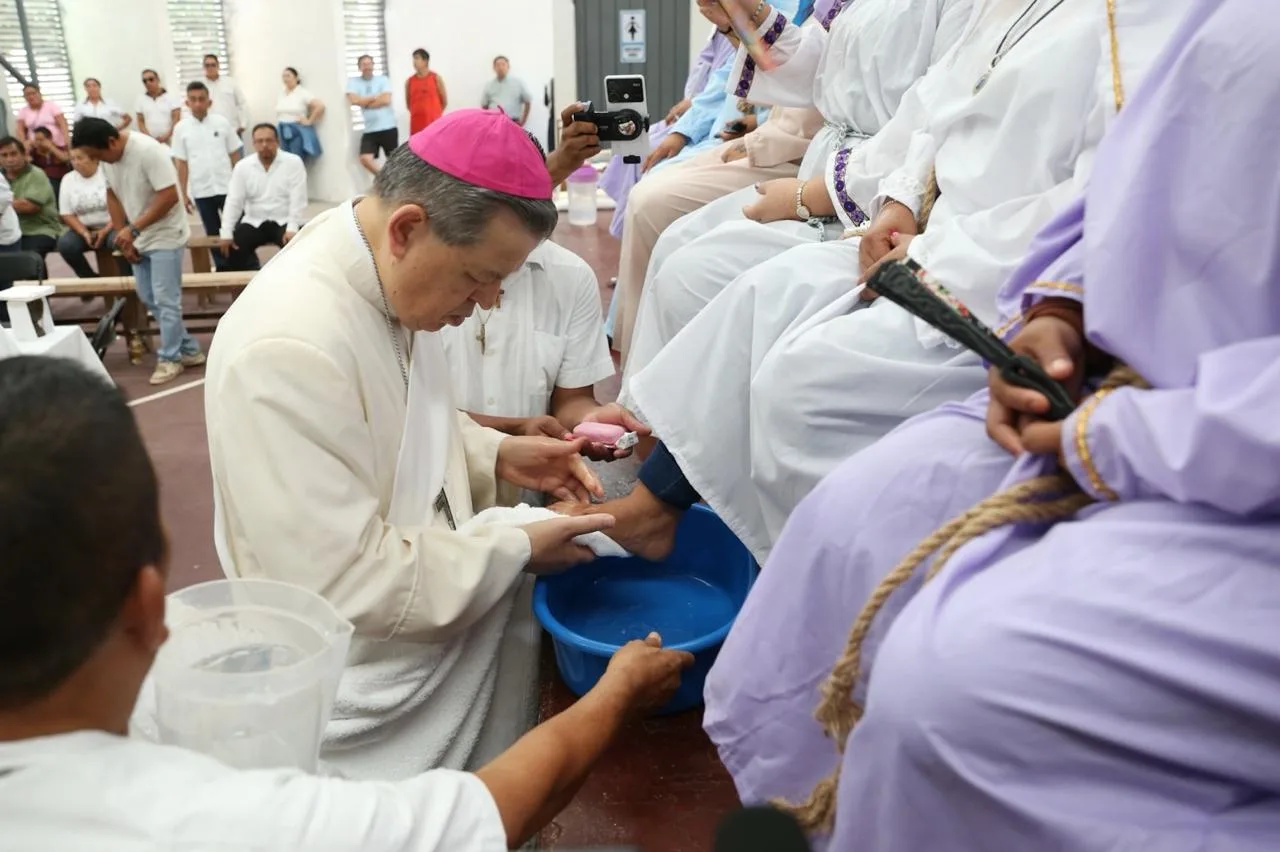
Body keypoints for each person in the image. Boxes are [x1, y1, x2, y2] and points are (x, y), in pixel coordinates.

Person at [705, 3, 1280, 850]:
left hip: (1216, 449)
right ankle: (821, 804)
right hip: (1106, 367)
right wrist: (1061, 305)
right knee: (850, 517)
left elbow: (1072, 175)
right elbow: (1129, 182)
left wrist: (1118, 428)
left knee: (946, 683)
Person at [0, 354, 694, 852]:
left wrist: (493, 456)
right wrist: (617, 694)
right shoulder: (225, 824)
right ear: (149, 607)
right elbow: (489, 813)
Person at [584, 0, 1181, 566]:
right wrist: (900, 201)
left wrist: (848, 207)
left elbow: (1104, 199)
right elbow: (931, 110)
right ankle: (659, 485)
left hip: (992, 266)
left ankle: (779, 566)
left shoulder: (1139, 25)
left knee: (795, 385)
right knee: (743, 288)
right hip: (908, 216)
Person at [205, 110, 627, 781]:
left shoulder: (379, 271)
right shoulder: (286, 347)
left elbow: (395, 417)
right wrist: (517, 547)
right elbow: (341, 583)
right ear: (407, 228)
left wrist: (496, 453)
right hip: (355, 666)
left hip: (419, 592)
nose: (489, 302)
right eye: (479, 276)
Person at [611, 0, 971, 359]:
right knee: (675, 241)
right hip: (829, 164)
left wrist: (809, 194)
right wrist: (746, 16)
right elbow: (823, 70)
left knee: (688, 272)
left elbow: (928, 121)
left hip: (868, 189)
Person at [440, 236, 644, 470]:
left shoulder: (571, 276)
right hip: (436, 475)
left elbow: (571, 399)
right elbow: (414, 413)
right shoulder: (428, 272)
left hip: (533, 482)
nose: (488, 298)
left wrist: (587, 419)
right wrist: (514, 430)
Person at [71, 118, 202, 386]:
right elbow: (112, 195)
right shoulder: (106, 158)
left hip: (167, 233)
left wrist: (133, 229)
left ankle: (171, 358)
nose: (97, 162)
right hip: (138, 234)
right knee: (148, 296)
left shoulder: (149, 151)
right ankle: (189, 349)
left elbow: (169, 196)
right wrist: (124, 234)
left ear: (111, 142)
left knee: (166, 300)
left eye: (97, 156)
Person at [218, 124, 308, 272]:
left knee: (298, 249)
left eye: (269, 140)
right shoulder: (243, 166)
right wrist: (226, 232)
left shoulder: (293, 162)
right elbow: (234, 201)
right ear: (253, 143)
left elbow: (298, 198)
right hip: (254, 220)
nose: (264, 145)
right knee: (235, 247)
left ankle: (291, 284)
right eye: (259, 141)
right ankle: (245, 285)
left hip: (284, 220)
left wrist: (292, 227)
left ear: (277, 141)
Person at [172, 81, 240, 272]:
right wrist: (183, 193)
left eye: (201, 99)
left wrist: (241, 185)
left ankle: (240, 264)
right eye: (193, 100)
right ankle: (222, 267)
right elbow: (181, 163)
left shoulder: (222, 122)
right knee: (212, 231)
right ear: (187, 103)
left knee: (236, 226)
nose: (198, 103)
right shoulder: (181, 128)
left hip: (227, 185)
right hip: (201, 189)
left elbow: (235, 155)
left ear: (209, 101)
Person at [0, 136, 62, 264]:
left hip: (38, 229)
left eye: (13, 154)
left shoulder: (36, 174)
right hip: (8, 231)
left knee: (28, 259)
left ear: (24, 155)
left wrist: (4, 202)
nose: (9, 159)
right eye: (4, 155)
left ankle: (38, 277)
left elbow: (30, 207)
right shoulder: (1, 176)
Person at [56, 147, 114, 279]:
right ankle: (89, 278)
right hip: (83, 228)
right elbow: (66, 214)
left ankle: (125, 280)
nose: (76, 162)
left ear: (94, 159)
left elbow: (122, 208)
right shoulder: (68, 179)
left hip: (112, 226)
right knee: (66, 245)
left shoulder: (108, 173)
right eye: (72, 159)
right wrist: (84, 232)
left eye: (80, 158)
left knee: (119, 241)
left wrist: (105, 230)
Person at [348, 54, 398, 175]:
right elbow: (354, 100)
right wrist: (375, 97)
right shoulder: (353, 82)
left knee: (394, 162)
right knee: (365, 158)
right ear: (359, 67)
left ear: (373, 65)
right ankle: (383, 178)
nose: (367, 67)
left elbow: (386, 99)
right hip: (370, 129)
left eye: (369, 64)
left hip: (388, 127)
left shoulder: (383, 80)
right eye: (364, 64)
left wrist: (364, 102)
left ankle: (395, 183)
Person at [201, 53, 249, 150]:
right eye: (207, 65)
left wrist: (243, 124)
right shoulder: (200, 86)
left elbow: (242, 103)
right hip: (210, 133)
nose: (210, 68)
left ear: (218, 66)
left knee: (237, 159)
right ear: (204, 67)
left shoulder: (230, 82)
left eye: (213, 65)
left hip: (232, 130)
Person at [276, 66, 325, 159]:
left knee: (296, 157)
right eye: (283, 76)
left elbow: (320, 106)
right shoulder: (282, 93)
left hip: (296, 129)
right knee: (284, 158)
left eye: (288, 76)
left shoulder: (302, 92)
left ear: (296, 78)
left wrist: (309, 121)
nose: (285, 79)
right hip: (282, 128)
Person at [134, 70, 182, 150]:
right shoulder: (140, 99)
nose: (148, 83)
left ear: (158, 80)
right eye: (145, 81)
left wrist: (167, 135)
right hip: (150, 142)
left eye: (151, 79)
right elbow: (140, 121)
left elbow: (176, 118)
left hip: (171, 140)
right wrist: (149, 138)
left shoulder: (171, 96)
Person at [14, 83, 69, 151]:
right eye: (27, 94)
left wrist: (67, 141)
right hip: (35, 145)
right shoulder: (23, 111)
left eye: (33, 93)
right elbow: (20, 130)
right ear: (24, 97)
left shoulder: (51, 105)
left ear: (39, 93)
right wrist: (23, 144)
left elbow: (63, 124)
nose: (31, 96)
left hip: (56, 144)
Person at [481, 56, 531, 127]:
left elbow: (528, 101)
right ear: (494, 68)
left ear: (508, 67)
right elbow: (484, 106)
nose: (500, 67)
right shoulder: (489, 85)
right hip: (494, 123)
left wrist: (523, 121)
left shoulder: (518, 83)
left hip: (513, 122)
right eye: (498, 65)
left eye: (503, 64)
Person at [407, 48, 447, 134]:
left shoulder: (436, 78)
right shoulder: (409, 81)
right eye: (413, 58)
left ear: (425, 61)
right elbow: (408, 104)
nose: (414, 61)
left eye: (417, 58)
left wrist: (433, 113)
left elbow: (444, 101)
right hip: (416, 125)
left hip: (434, 123)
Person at [27, 127, 71, 199]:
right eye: (36, 140)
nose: (38, 143)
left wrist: (50, 147)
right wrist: (27, 149)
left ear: (50, 139)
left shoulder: (59, 149)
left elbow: (65, 158)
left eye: (41, 140)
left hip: (59, 182)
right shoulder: (34, 152)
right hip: (40, 182)